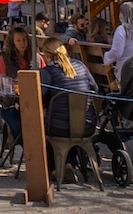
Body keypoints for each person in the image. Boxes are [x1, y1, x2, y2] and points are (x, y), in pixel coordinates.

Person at [38, 37, 99, 181]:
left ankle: (55, 169)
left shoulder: (47, 72)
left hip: (59, 128)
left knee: (46, 129)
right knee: (71, 123)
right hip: (87, 125)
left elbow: (38, 95)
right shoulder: (81, 66)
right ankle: (70, 164)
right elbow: (95, 89)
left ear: (46, 55)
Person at [0, 25, 35, 140]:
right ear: (12, 43)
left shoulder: (35, 58)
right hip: (10, 104)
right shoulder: (5, 59)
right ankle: (28, 149)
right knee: (19, 125)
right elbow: (0, 82)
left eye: (24, 40)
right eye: (18, 40)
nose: (22, 43)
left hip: (32, 104)